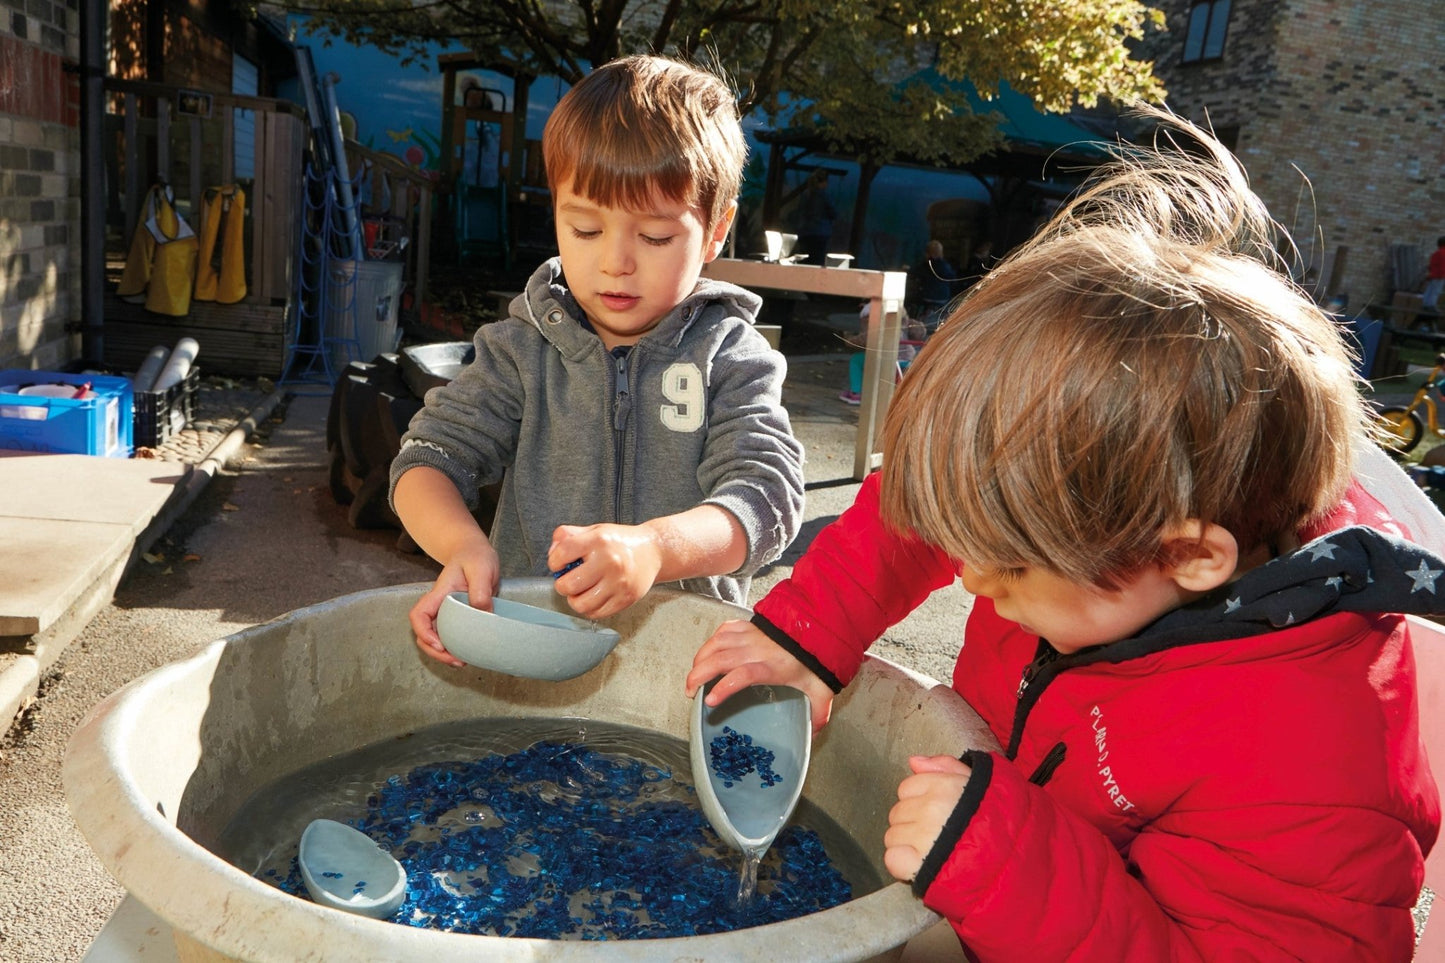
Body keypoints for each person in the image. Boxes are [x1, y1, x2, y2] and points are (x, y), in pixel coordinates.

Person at [687, 108, 1443, 959]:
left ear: (1190, 555)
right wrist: (808, 630)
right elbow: (927, 509)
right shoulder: (1098, 510)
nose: (971, 578)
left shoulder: (1308, 766)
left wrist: (1007, 865)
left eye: (1007, 567)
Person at [391, 55, 806, 667]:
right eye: (584, 229)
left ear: (717, 231)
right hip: (532, 647)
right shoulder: (521, 350)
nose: (616, 262)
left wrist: (657, 549)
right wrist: (461, 548)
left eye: (656, 238)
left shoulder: (732, 357)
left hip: (684, 660)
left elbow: (767, 496)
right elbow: (428, 460)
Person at [838, 299, 926, 406]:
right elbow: (919, 334)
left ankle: (857, 392)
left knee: (857, 360)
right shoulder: (904, 320)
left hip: (886, 358)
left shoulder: (874, 321)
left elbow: (865, 340)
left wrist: (848, 339)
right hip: (906, 358)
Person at [905, 239, 958, 332]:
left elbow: (916, 273)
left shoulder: (926, 265)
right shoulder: (946, 266)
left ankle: (916, 322)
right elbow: (953, 280)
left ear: (928, 253)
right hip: (944, 298)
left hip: (928, 297)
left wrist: (908, 269)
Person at [792, 170, 837, 266]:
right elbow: (833, 213)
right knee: (817, 261)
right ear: (824, 182)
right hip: (820, 233)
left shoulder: (806, 195)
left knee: (805, 260)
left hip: (805, 233)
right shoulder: (825, 196)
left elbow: (800, 212)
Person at [1424, 235, 1445, 310]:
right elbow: (1443, 266)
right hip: (1439, 276)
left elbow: (1431, 265)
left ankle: (1426, 304)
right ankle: (1431, 306)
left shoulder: (1436, 253)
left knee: (1430, 290)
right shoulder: (1443, 253)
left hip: (1433, 275)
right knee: (1435, 292)